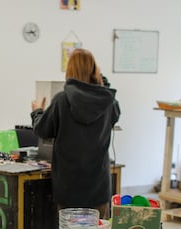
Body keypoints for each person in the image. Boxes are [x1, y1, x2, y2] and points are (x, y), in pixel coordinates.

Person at [30, 48, 120, 219]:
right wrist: (100, 80)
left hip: (68, 185)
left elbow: (43, 130)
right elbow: (115, 115)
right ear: (95, 70)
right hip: (98, 184)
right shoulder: (108, 102)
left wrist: (37, 112)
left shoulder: (61, 100)